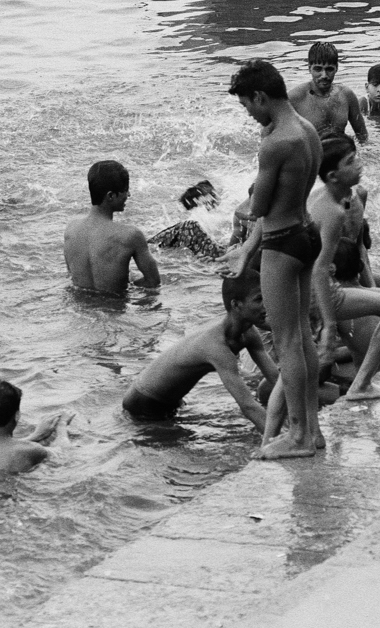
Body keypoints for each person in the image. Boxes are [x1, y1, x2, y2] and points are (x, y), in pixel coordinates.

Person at [228, 58, 323, 460]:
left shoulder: (275, 142)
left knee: (286, 343)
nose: (249, 114)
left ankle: (298, 435)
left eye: (248, 105)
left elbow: (259, 207)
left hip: (282, 244)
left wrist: (247, 216)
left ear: (261, 96)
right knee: (301, 336)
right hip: (307, 232)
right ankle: (313, 431)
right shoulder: (308, 130)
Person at [309, 137, 380, 401]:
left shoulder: (357, 195)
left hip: (332, 279)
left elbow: (360, 245)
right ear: (333, 176)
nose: (360, 165)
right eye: (351, 161)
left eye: (356, 156)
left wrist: (370, 283)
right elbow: (318, 268)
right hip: (321, 286)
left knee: (300, 362)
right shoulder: (327, 208)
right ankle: (360, 385)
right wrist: (328, 324)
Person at [122, 270, 276, 430]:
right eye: (259, 299)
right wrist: (278, 436)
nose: (266, 305)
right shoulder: (217, 346)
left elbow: (276, 380)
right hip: (143, 403)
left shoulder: (249, 333)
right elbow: (248, 406)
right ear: (236, 305)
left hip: (170, 400)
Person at [63, 160, 161, 293]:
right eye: (125, 191)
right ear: (110, 196)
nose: (129, 195)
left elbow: (72, 276)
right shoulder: (131, 236)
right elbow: (153, 282)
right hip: (114, 312)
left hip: (79, 310)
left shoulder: (71, 230)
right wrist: (129, 282)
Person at [0, 380, 63, 475]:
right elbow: (64, 454)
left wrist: (35, 436)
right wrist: (62, 425)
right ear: (17, 415)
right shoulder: (32, 450)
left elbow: (1, 447)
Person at [289, 41, 369, 144]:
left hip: (339, 155)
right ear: (309, 68)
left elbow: (363, 137)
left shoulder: (347, 95)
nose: (324, 75)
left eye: (329, 69)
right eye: (318, 69)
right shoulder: (295, 98)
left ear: (337, 68)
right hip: (310, 157)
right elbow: (270, 133)